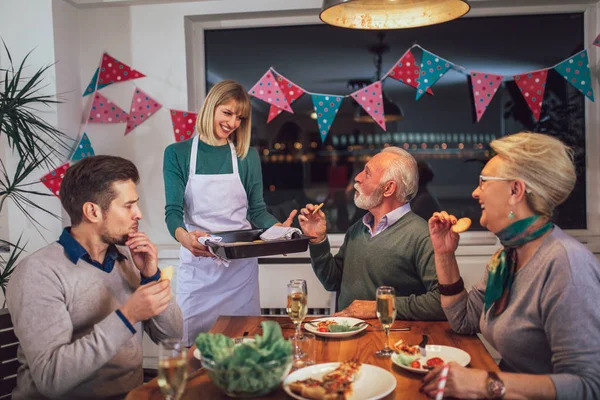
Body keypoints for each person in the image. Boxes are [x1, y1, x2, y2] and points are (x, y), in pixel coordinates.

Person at [422, 132, 600, 399]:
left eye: (484, 182)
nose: (475, 191)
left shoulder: (566, 264)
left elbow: (587, 386)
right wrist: (444, 254)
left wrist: (485, 383)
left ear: (516, 190)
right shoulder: (507, 257)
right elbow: (464, 320)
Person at [6, 155, 183, 399]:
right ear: (92, 211)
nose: (139, 214)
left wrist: (151, 276)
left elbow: (171, 336)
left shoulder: (128, 259)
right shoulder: (38, 273)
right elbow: (51, 378)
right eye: (128, 205)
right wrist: (128, 316)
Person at [163, 80, 296, 346]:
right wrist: (184, 238)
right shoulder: (177, 154)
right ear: (211, 107)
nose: (233, 122)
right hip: (198, 266)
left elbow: (257, 211)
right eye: (227, 113)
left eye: (240, 117)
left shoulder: (247, 156)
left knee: (243, 345)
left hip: (239, 274)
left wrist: (280, 232)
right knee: (193, 349)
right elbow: (173, 212)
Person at [298, 147, 445, 320]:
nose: (357, 178)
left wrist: (379, 307)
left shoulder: (421, 236)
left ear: (388, 188)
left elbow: (441, 303)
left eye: (367, 173)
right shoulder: (357, 229)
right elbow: (333, 281)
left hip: (394, 340)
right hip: (348, 337)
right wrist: (318, 240)